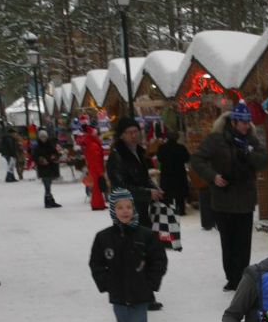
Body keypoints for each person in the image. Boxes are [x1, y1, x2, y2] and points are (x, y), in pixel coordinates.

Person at [90, 188, 168, 322]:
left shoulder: (146, 235)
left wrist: (150, 283)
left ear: (134, 208)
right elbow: (96, 263)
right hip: (118, 294)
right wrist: (106, 283)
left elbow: (159, 260)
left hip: (141, 294)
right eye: (119, 207)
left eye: (128, 207)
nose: (125, 211)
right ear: (112, 210)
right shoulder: (104, 237)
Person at [191, 101, 268, 291]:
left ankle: (243, 277)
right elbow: (197, 159)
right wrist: (213, 176)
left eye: (247, 122)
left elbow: (264, 160)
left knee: (244, 242)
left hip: (245, 199)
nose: (245, 126)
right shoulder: (216, 139)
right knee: (228, 241)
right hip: (223, 200)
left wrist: (249, 155)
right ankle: (232, 277)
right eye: (242, 122)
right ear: (233, 122)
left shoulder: (252, 141)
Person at [107, 116, 165, 310]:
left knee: (144, 251)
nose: (133, 136)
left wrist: (153, 188)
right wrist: (147, 192)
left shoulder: (138, 152)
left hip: (141, 209)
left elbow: (142, 177)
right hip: (125, 211)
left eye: (135, 132)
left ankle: (144, 293)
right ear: (121, 135)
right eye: (129, 133)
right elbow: (120, 186)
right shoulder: (117, 155)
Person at [157, 128, 191, 216]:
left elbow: (159, 159)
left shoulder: (162, 148)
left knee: (168, 192)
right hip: (179, 173)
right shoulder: (181, 148)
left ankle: (168, 210)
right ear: (177, 138)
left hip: (166, 173)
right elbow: (187, 159)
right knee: (180, 192)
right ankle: (181, 210)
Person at [32, 128, 62, 208]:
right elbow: (35, 157)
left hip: (51, 168)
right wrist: (41, 160)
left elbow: (56, 154)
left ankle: (50, 201)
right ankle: (48, 202)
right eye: (41, 137)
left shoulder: (50, 145)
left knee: (48, 186)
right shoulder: (37, 147)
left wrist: (54, 157)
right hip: (43, 169)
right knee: (47, 186)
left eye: (44, 137)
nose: (43, 139)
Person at [80, 124, 106, 210]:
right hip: (96, 169)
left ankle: (99, 204)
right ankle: (97, 205)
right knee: (97, 188)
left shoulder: (90, 143)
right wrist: (100, 171)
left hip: (93, 168)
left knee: (96, 187)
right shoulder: (93, 145)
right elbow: (96, 160)